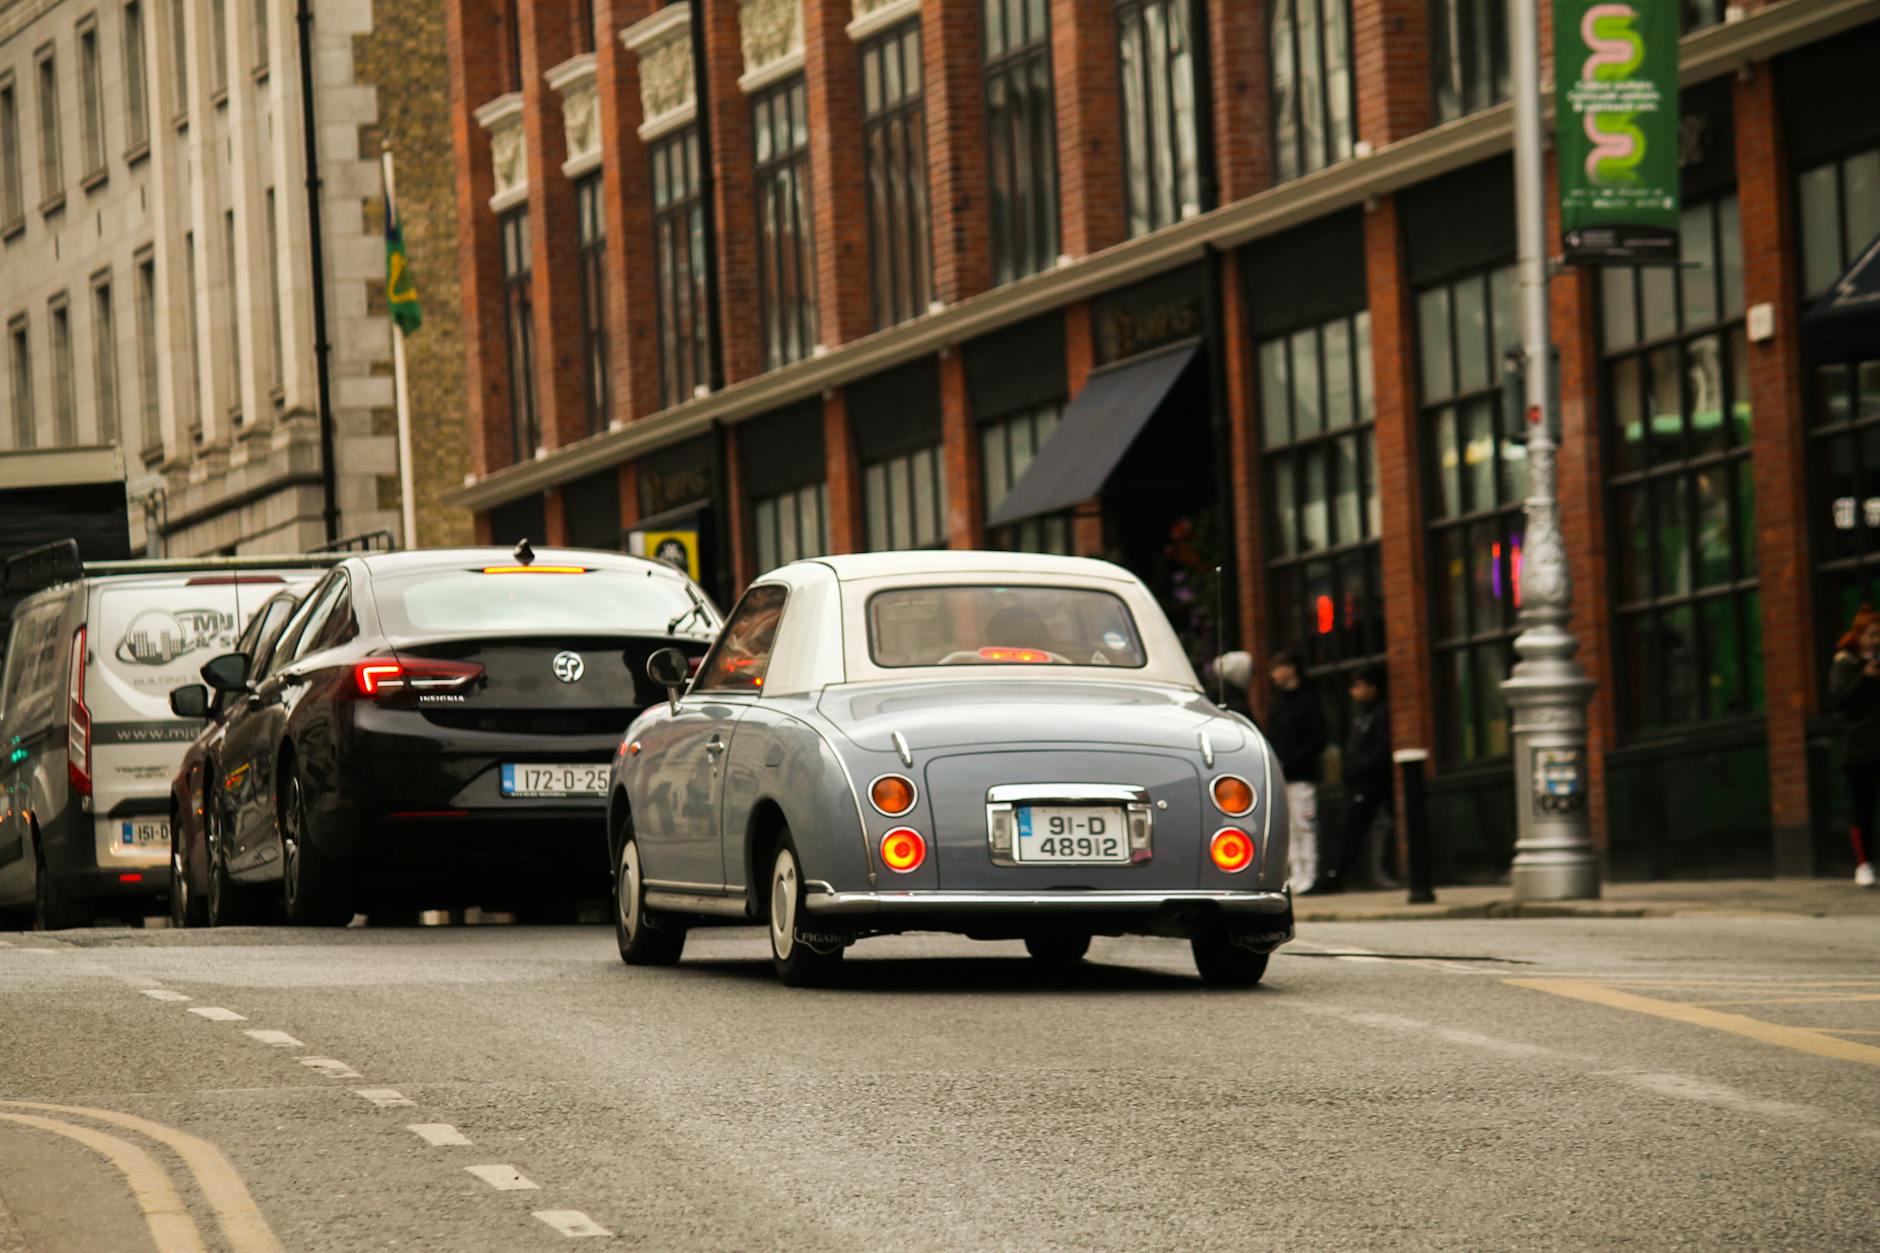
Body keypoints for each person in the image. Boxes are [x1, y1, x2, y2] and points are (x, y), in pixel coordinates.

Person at [1316, 666, 1393, 894]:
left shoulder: (1381, 713)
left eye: (1358, 686)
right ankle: (1337, 874)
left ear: (1373, 687)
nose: (1353, 692)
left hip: (1371, 782)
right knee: (1351, 829)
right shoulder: (1361, 716)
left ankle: (1338, 876)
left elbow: (1381, 749)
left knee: (1359, 830)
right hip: (1356, 781)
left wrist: (1358, 768)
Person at [1263, 651, 1328, 894]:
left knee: (1304, 824)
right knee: (1288, 827)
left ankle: (1310, 874)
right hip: (1282, 775)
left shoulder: (1308, 700)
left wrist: (1292, 759)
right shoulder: (1277, 702)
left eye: (1278, 669)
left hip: (1301, 774)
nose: (1274, 675)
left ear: (1291, 668)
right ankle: (1295, 873)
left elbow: (1318, 738)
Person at [1829, 606, 1880, 888]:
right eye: (1872, 635)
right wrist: (1865, 678)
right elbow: (1840, 701)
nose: (1876, 640)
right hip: (1860, 749)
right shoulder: (1845, 663)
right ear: (1858, 636)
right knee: (1864, 808)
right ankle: (1864, 863)